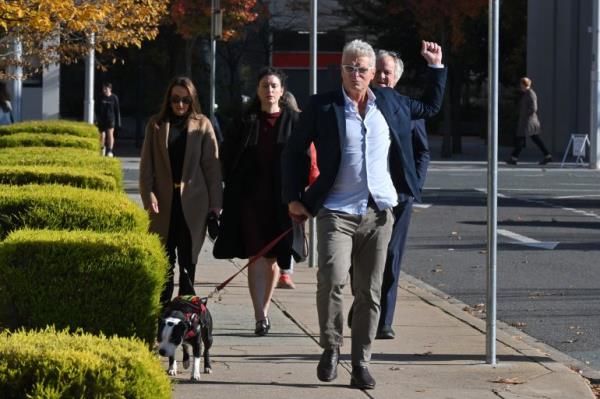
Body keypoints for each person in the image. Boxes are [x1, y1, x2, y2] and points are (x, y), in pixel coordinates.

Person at [282, 39, 446, 389]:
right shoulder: (322, 106)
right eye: (349, 67)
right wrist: (294, 198)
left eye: (362, 69)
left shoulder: (390, 103)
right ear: (341, 70)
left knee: (370, 292)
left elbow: (431, 108)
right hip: (336, 211)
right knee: (331, 279)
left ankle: (361, 364)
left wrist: (435, 67)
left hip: (379, 213)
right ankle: (331, 346)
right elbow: (295, 151)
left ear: (374, 73)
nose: (355, 74)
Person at [213, 67, 304, 335]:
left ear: (282, 91)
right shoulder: (246, 120)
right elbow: (228, 155)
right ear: (258, 90)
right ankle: (260, 315)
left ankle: (265, 305)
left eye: (274, 85)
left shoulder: (294, 121)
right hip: (250, 199)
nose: (269, 90)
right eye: (265, 85)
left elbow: (305, 159)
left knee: (273, 259)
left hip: (281, 201)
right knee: (255, 256)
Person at [348, 50, 431, 340]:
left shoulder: (406, 107)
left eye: (388, 73)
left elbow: (422, 151)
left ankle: (384, 319)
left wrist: (413, 186)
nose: (383, 77)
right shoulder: (360, 104)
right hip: (363, 193)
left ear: (396, 77)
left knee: (391, 256)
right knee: (358, 257)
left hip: (399, 196)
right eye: (379, 71)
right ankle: (363, 303)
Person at [139, 76, 222, 307]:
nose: (180, 105)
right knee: (164, 261)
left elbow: (212, 169)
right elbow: (147, 166)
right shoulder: (156, 125)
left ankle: (186, 315)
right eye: (175, 99)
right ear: (169, 99)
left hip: (193, 205)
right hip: (163, 204)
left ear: (192, 99)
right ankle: (162, 312)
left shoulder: (202, 124)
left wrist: (216, 206)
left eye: (185, 100)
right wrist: (149, 195)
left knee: (188, 262)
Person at [506, 77, 552, 165]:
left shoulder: (530, 93)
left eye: (521, 84)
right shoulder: (526, 93)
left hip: (528, 121)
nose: (520, 86)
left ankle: (513, 158)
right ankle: (548, 156)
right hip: (527, 121)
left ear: (523, 85)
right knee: (534, 139)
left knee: (521, 139)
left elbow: (534, 108)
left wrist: (525, 115)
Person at [97, 82, 121, 157]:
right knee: (102, 135)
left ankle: (110, 150)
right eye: (103, 88)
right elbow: (96, 109)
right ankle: (102, 148)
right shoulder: (100, 97)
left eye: (106, 89)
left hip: (111, 119)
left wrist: (118, 122)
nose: (104, 90)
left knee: (110, 133)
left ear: (110, 89)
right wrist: (96, 119)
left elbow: (117, 110)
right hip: (102, 119)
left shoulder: (114, 98)